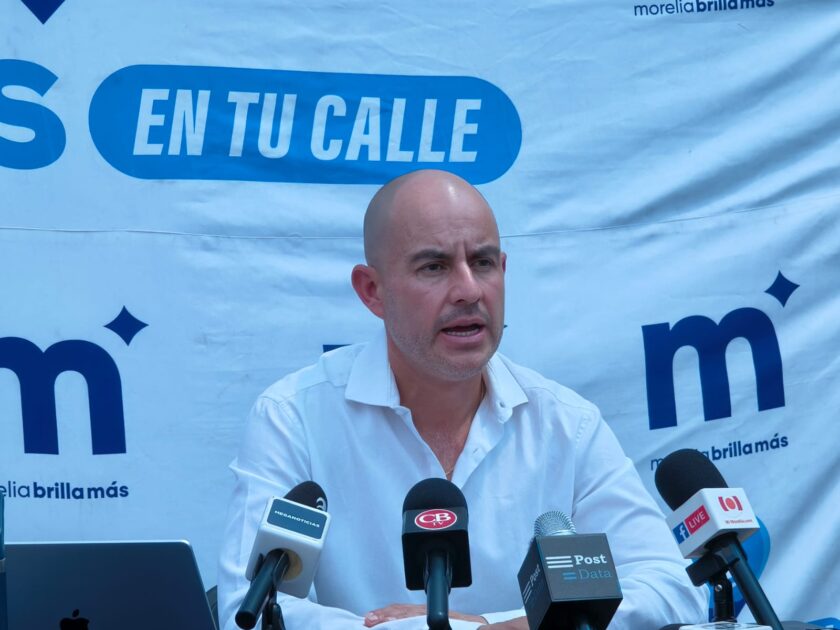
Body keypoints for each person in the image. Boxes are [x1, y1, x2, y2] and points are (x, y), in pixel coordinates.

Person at [217, 169, 707, 629]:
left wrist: (495, 629)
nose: (469, 290)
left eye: (483, 262)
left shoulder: (565, 424)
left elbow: (670, 588)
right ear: (372, 291)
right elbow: (248, 606)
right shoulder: (294, 417)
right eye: (434, 267)